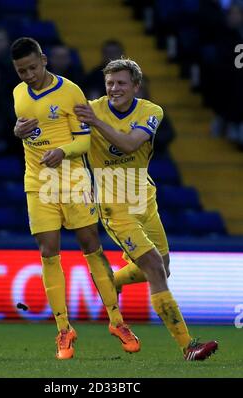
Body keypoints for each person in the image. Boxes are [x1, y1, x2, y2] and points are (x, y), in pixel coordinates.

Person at [75, 58, 219, 361]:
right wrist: (23, 128)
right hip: (115, 206)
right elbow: (55, 126)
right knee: (154, 267)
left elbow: (129, 144)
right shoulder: (91, 107)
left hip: (144, 198)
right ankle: (188, 346)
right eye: (110, 83)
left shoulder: (151, 111)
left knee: (163, 269)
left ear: (136, 86)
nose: (114, 89)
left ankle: (111, 282)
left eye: (121, 83)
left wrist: (97, 123)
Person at [11, 37, 139, 360]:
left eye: (31, 67)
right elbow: (24, 131)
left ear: (43, 60)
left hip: (73, 180)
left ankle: (117, 321)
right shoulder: (18, 95)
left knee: (90, 246)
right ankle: (64, 330)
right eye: (21, 71)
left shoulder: (70, 93)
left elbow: (83, 142)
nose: (27, 75)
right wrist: (16, 132)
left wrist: (61, 151)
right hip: (38, 182)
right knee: (48, 251)